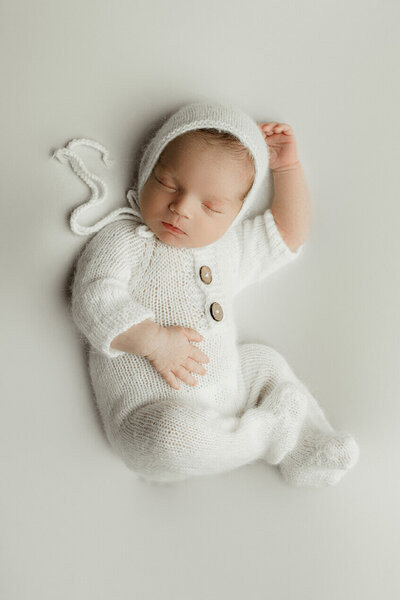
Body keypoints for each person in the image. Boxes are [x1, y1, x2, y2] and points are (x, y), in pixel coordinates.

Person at [53, 100, 359, 486]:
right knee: (171, 434)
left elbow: (286, 233)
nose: (181, 208)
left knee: (263, 361)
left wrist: (287, 169)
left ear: (234, 214)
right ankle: (270, 435)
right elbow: (92, 299)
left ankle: (306, 447)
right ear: (147, 171)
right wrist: (154, 342)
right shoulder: (126, 240)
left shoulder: (226, 249)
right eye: (167, 184)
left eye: (211, 206)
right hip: (149, 413)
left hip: (228, 392)